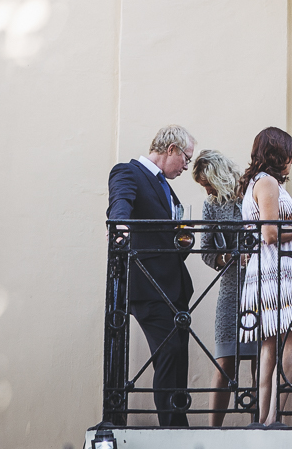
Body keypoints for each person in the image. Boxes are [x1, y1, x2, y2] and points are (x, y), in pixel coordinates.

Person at [106, 124, 197, 427]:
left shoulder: (165, 186)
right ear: (171, 149)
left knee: (177, 357)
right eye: (186, 157)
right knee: (169, 353)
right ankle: (172, 429)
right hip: (150, 285)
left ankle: (177, 424)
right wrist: (120, 225)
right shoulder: (129, 172)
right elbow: (120, 202)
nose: (187, 165)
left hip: (174, 288)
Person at [239, 127, 292, 426]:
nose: (291, 162)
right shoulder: (268, 182)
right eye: (288, 155)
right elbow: (270, 233)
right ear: (277, 153)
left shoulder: (258, 182)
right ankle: (272, 417)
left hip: (273, 268)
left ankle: (264, 419)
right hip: (278, 269)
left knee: (270, 346)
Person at [192, 149, 257, 428]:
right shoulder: (211, 205)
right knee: (224, 360)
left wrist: (253, 253)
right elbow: (207, 250)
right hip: (231, 286)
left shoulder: (253, 189)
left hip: (260, 283)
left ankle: (260, 425)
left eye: (207, 183)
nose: (206, 189)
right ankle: (213, 432)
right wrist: (226, 257)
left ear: (217, 176)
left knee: (260, 359)